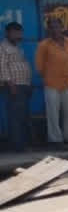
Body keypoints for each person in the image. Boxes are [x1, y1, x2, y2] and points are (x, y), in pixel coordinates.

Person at [35, 17, 68, 146]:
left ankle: (67, 138)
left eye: (57, 26)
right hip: (52, 84)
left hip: (67, 83)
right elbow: (39, 66)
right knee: (53, 114)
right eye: (51, 27)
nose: (55, 29)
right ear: (48, 29)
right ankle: (55, 140)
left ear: (61, 27)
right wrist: (47, 77)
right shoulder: (44, 45)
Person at [0, 22, 34, 152]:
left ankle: (22, 144)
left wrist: (29, 83)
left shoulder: (17, 47)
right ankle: (17, 146)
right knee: (15, 117)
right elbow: (2, 66)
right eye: (15, 32)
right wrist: (10, 83)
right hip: (14, 85)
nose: (18, 35)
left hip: (23, 84)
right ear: (7, 33)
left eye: (19, 32)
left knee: (22, 115)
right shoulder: (3, 46)